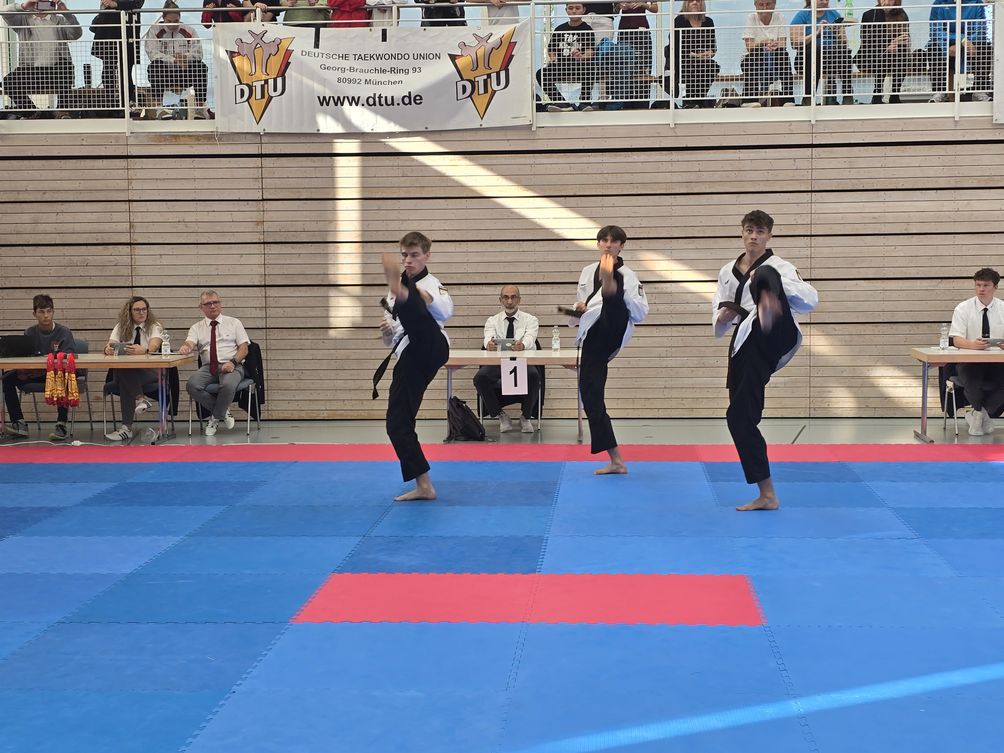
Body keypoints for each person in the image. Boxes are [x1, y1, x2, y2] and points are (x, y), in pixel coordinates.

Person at [713, 210, 818, 511]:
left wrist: (775, 286)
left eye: (760, 232)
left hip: (777, 332)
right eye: (749, 230)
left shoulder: (781, 266)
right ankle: (767, 494)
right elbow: (718, 318)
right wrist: (724, 316)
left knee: (765, 275)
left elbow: (811, 300)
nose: (754, 236)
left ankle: (767, 307)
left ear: (769, 236)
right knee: (739, 418)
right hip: (746, 342)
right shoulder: (726, 271)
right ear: (742, 232)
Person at [375, 232, 454, 501]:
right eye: (404, 256)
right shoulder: (392, 295)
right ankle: (424, 485)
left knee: (415, 308)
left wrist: (420, 295)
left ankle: (408, 295)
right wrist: (387, 331)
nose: (408, 260)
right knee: (397, 423)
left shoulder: (433, 284)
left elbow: (446, 312)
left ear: (426, 256)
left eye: (414, 255)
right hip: (409, 355)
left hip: (431, 343)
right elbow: (390, 341)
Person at [572, 225, 649, 475]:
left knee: (613, 298)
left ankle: (611, 288)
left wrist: (615, 290)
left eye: (613, 241)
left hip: (613, 326)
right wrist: (579, 308)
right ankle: (616, 460)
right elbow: (581, 307)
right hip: (593, 336)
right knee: (590, 396)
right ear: (598, 244)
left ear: (621, 246)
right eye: (604, 240)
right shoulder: (587, 272)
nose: (608, 244)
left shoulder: (629, 275)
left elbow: (640, 312)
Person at [1, 294, 76, 441]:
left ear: (53, 312)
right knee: (7, 379)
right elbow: (24, 356)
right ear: (34, 314)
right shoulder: (29, 332)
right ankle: (19, 423)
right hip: (33, 374)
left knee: (64, 378)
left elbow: (68, 358)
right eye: (41, 312)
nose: (46, 315)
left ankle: (61, 423)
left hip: (55, 374)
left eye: (49, 311)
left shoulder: (64, 332)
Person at [177, 290, 250, 437]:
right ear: (201, 307)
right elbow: (189, 342)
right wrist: (186, 347)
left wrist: (233, 362)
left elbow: (244, 348)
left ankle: (214, 418)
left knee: (228, 385)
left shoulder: (234, 323)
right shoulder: (196, 327)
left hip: (232, 365)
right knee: (192, 385)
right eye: (208, 303)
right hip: (208, 367)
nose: (212, 306)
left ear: (220, 303)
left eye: (215, 302)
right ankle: (223, 412)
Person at [473, 285, 541, 434]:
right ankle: (500, 415)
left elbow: (531, 338)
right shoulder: (492, 320)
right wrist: (489, 344)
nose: (509, 301)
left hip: (523, 362)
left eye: (513, 297)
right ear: (500, 300)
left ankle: (526, 417)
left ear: (519, 300)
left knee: (534, 376)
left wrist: (523, 345)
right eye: (506, 297)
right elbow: (487, 337)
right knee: (480, 378)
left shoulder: (531, 319)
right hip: (498, 363)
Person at [0, 1, 81, 120]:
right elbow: (4, 12)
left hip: (56, 69)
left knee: (66, 66)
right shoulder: (23, 20)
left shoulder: (60, 20)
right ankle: (32, 113)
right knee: (8, 81)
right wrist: (24, 6)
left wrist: (66, 13)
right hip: (31, 69)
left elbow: (76, 34)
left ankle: (62, 111)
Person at [948, 268, 1004, 436]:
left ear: (995, 287)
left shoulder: (1003, 308)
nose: (981, 289)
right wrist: (973, 345)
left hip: (998, 361)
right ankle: (979, 416)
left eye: (986, 285)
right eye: (978, 285)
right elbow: (956, 339)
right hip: (970, 360)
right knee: (973, 381)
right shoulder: (963, 308)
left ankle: (977, 415)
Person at [102, 296, 165, 442]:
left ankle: (126, 429)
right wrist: (107, 349)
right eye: (137, 310)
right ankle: (140, 399)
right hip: (128, 374)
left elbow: (154, 345)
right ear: (129, 312)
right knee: (126, 371)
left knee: (124, 375)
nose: (141, 313)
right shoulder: (121, 326)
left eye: (144, 309)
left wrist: (145, 350)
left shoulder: (154, 326)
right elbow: (110, 344)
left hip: (150, 373)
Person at [144, 1, 209, 120]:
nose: (173, 25)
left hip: (185, 72)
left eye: (176, 21)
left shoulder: (189, 30)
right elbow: (153, 53)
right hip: (165, 73)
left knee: (201, 67)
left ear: (180, 17)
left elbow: (198, 53)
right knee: (154, 66)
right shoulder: (154, 30)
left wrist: (185, 58)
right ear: (163, 18)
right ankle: (159, 109)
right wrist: (173, 60)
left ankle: (200, 109)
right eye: (169, 21)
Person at [928, 0, 993, 103]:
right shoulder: (939, 3)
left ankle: (980, 90)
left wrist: (965, 44)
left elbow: (980, 30)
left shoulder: (976, 3)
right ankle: (939, 91)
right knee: (933, 49)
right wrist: (960, 40)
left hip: (971, 44)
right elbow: (935, 31)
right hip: (948, 44)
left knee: (985, 47)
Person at [790, 0, 853, 106]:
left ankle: (848, 95)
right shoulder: (802, 15)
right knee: (817, 51)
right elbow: (795, 43)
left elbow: (844, 42)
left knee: (846, 53)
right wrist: (816, 33)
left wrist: (836, 32)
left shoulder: (834, 14)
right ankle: (808, 97)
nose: (824, 2)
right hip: (807, 56)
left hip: (831, 56)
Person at [89, 0, 145, 117]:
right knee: (108, 70)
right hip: (109, 32)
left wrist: (116, 4)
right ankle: (110, 104)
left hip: (128, 32)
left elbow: (138, 3)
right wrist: (107, 6)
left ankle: (126, 104)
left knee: (126, 71)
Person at [536, 3, 596, 112]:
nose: (574, 11)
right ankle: (562, 103)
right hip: (561, 66)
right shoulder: (560, 29)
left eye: (577, 8)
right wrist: (553, 59)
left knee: (591, 67)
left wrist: (581, 56)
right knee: (541, 73)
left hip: (580, 65)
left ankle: (585, 102)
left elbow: (590, 52)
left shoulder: (587, 29)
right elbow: (551, 49)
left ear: (583, 10)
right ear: (566, 10)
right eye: (571, 8)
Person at [856, 0, 910, 104]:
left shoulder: (902, 14)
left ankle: (895, 95)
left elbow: (905, 36)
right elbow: (866, 41)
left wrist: (899, 42)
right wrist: (888, 46)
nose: (886, 2)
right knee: (886, 56)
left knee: (901, 54)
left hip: (896, 53)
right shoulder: (870, 15)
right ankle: (877, 94)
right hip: (872, 53)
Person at [741, 0, 794, 105]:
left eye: (768, 4)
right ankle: (749, 99)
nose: (765, 8)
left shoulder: (780, 17)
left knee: (783, 54)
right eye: (761, 5)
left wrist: (773, 46)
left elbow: (783, 44)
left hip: (774, 56)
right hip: (753, 59)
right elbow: (749, 46)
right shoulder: (751, 18)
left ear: (774, 5)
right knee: (755, 54)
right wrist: (764, 43)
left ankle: (788, 98)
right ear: (755, 5)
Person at [669, 0, 719, 108]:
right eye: (691, 0)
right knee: (694, 66)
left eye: (698, 1)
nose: (695, 2)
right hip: (683, 60)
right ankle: (691, 102)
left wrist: (710, 52)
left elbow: (713, 45)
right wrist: (694, 55)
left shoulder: (708, 22)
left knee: (713, 66)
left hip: (703, 60)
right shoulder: (679, 20)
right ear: (686, 4)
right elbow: (674, 45)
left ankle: (697, 101)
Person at [615, 2, 657, 108]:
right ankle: (625, 105)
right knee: (624, 68)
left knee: (643, 69)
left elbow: (655, 8)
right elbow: (615, 10)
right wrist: (621, 6)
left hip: (641, 30)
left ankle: (642, 105)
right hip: (624, 30)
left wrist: (642, 4)